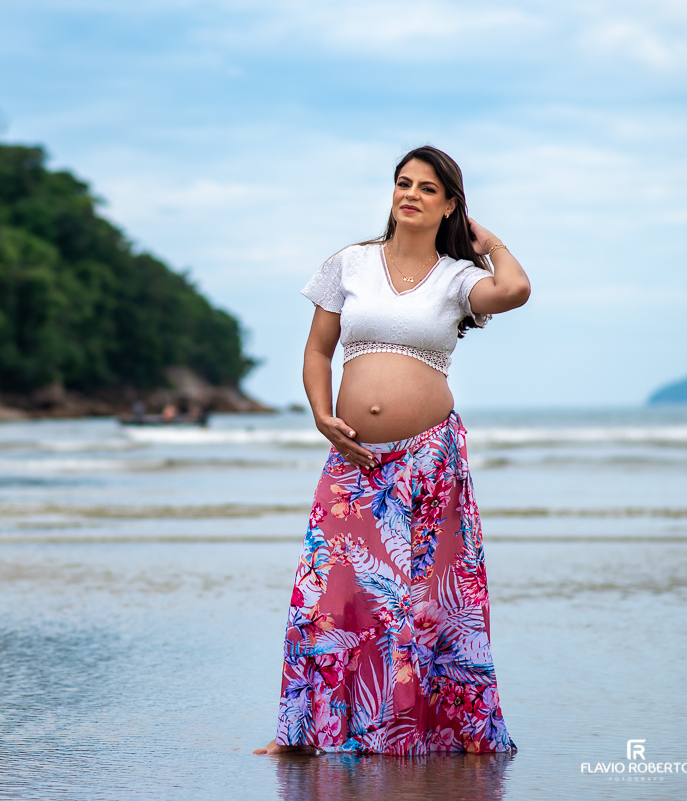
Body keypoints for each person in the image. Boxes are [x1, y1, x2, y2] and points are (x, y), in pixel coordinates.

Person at [254, 146, 530, 756]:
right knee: (331, 592)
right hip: (354, 460)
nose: (410, 194)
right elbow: (318, 350)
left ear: (450, 204)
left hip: (430, 460)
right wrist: (322, 414)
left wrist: (490, 242)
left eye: (428, 189)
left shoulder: (460, 279)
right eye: (403, 184)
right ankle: (302, 734)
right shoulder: (349, 264)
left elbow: (515, 291)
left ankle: (419, 733)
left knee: (427, 597)